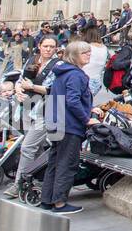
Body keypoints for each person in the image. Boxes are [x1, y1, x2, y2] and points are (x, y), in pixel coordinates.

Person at [40, 40, 94, 215]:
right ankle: (60, 203)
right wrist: (86, 119)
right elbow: (73, 100)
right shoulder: (76, 75)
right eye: (84, 52)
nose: (88, 55)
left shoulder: (62, 73)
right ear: (74, 56)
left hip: (56, 123)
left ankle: (47, 199)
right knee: (67, 164)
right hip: (69, 125)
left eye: (89, 52)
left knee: (55, 162)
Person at [7, 34, 59, 198]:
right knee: (36, 148)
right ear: (40, 46)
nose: (48, 49)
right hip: (28, 108)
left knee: (28, 147)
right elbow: (20, 80)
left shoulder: (58, 65)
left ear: (56, 49)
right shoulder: (32, 60)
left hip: (46, 110)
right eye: (46, 46)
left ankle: (19, 184)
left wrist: (32, 87)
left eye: (52, 47)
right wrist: (18, 90)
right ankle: (39, 179)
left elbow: (53, 89)